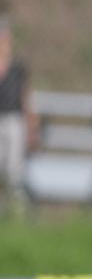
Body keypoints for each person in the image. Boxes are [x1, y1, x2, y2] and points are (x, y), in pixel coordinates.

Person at [0, 16, 39, 210]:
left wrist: (32, 126)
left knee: (14, 170)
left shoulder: (17, 67)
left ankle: (16, 210)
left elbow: (25, 97)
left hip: (13, 120)